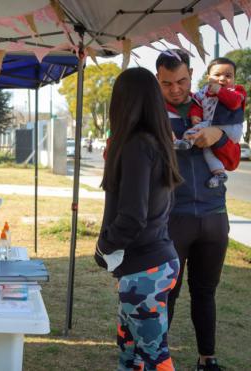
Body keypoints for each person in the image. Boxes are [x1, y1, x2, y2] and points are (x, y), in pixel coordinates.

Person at [156, 49, 241, 371]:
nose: (175, 89)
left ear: (192, 75)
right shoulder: (150, 110)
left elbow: (231, 160)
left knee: (205, 292)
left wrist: (217, 134)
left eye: (181, 81)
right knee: (169, 293)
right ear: (157, 81)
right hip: (172, 217)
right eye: (167, 83)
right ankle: (158, 356)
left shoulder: (209, 105)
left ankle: (208, 358)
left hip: (214, 215)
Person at [95, 67, 182, 371]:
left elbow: (132, 216)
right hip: (153, 263)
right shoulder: (155, 143)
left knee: (152, 356)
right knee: (131, 354)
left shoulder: (137, 145)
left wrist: (104, 247)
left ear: (124, 102)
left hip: (146, 269)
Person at [174, 57, 245, 188]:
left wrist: (219, 90)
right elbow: (196, 103)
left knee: (195, 131)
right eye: (217, 75)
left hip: (228, 127)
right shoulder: (204, 92)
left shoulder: (236, 91)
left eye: (228, 76)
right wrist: (195, 115)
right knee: (208, 150)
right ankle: (219, 173)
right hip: (210, 124)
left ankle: (186, 142)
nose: (223, 79)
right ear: (208, 78)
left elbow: (234, 103)